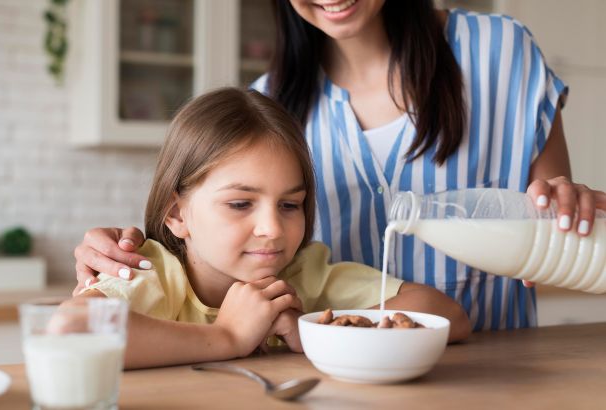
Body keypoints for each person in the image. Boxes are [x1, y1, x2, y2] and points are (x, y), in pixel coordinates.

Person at [72, 1, 606, 331]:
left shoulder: (502, 54)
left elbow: (549, 233)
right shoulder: (271, 107)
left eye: (291, 205)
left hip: (502, 373)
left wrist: (568, 212)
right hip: (340, 388)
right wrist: (114, 251)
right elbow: (203, 231)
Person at [66, 88, 470, 369]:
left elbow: (447, 314)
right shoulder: (155, 273)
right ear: (177, 214)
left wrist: (314, 332)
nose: (272, 228)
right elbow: (71, 329)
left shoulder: (305, 274)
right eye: (240, 204)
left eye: (290, 204)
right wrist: (228, 337)